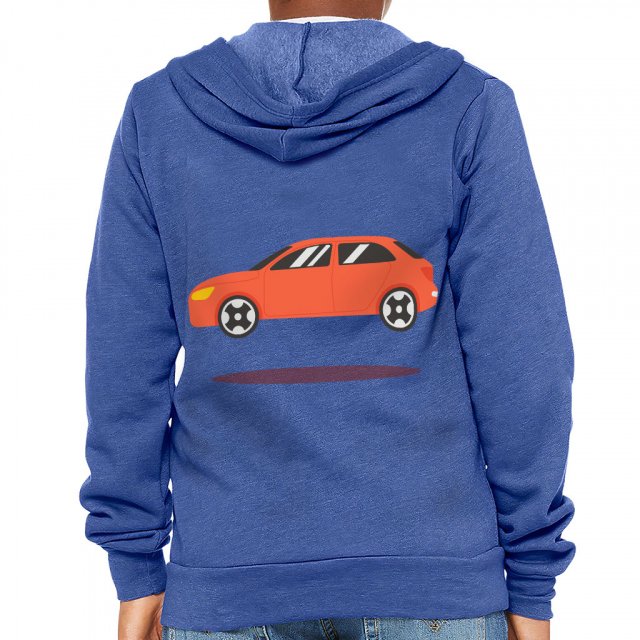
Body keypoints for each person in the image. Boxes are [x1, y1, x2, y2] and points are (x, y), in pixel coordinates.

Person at [80, 1, 575, 639]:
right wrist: (532, 577)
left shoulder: (160, 112)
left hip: (226, 578)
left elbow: (122, 364)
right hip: (433, 580)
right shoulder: (468, 107)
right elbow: (524, 362)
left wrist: (135, 565)